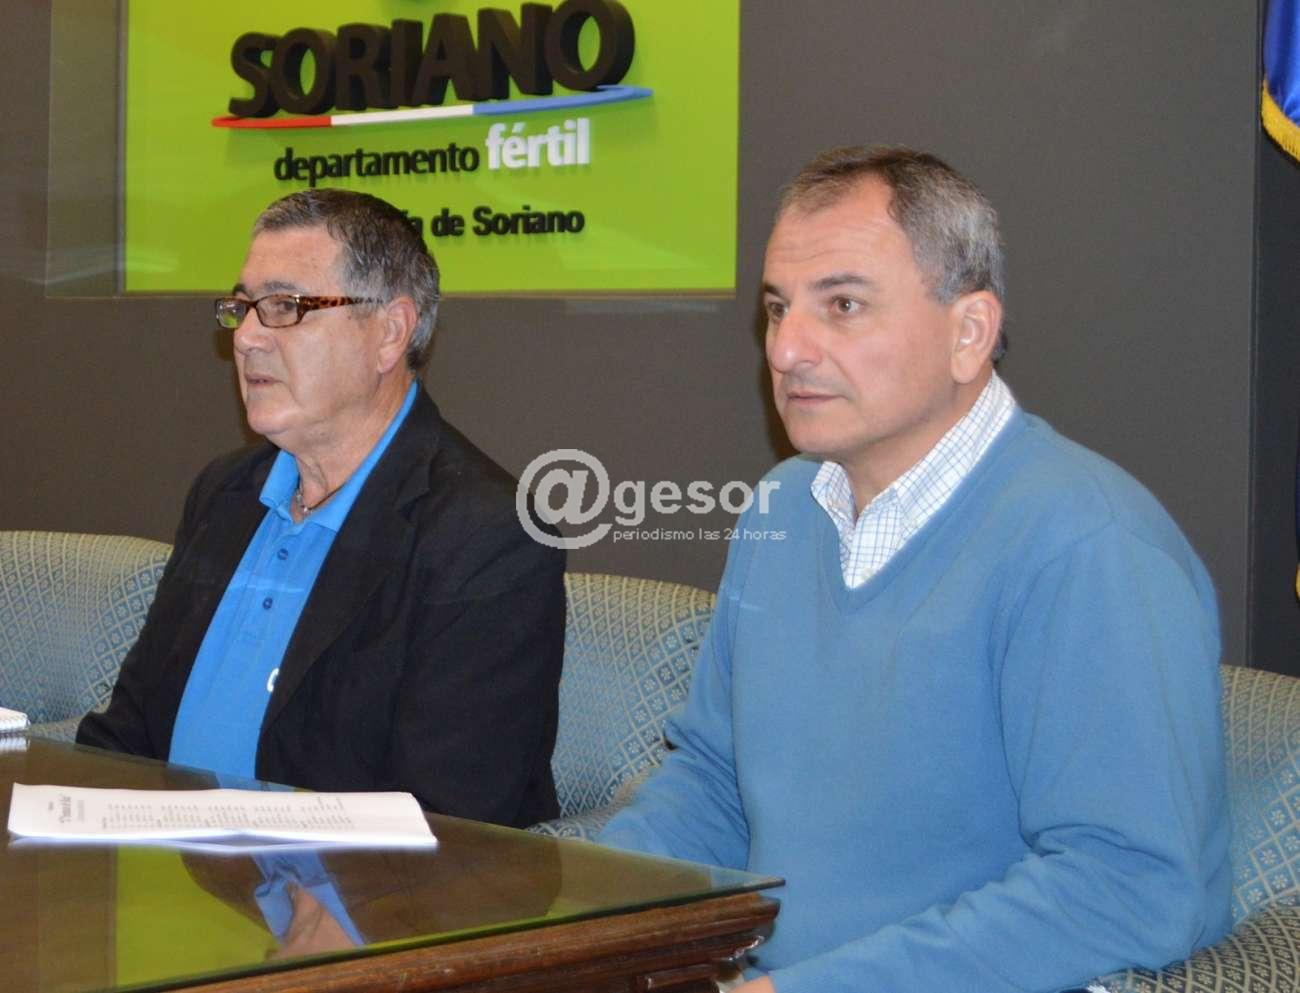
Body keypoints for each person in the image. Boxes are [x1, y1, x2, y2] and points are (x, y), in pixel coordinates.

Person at [599, 146, 1231, 992]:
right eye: (779, 308)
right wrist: (573, 919)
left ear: (969, 334)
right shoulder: (783, 506)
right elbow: (714, 784)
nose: (786, 349)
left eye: (843, 305)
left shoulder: (1088, 543)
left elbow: (1130, 885)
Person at [78, 188, 565, 829]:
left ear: (389, 333)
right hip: (170, 874)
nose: (246, 337)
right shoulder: (225, 495)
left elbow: (449, 824)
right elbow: (127, 734)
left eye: (284, 306)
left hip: (346, 889)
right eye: (243, 307)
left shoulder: (487, 535)